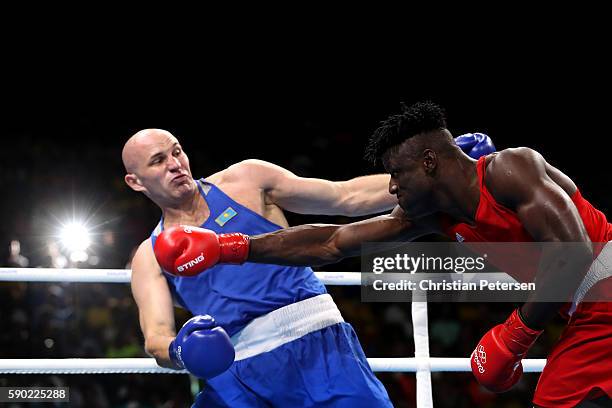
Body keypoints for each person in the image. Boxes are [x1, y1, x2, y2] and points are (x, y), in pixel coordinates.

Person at [155, 102, 612, 408]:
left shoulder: (511, 169)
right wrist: (233, 247)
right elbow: (334, 241)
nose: (392, 187)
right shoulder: (435, 214)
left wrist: (515, 335)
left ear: (430, 162)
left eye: (397, 173)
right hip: (588, 315)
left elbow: (571, 254)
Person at [125, 127, 494, 407]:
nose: (175, 164)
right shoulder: (150, 254)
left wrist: (436, 173)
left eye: (176, 152)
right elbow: (156, 336)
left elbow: (345, 196)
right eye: (159, 161)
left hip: (318, 345)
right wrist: (179, 352)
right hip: (237, 374)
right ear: (135, 181)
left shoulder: (246, 180)